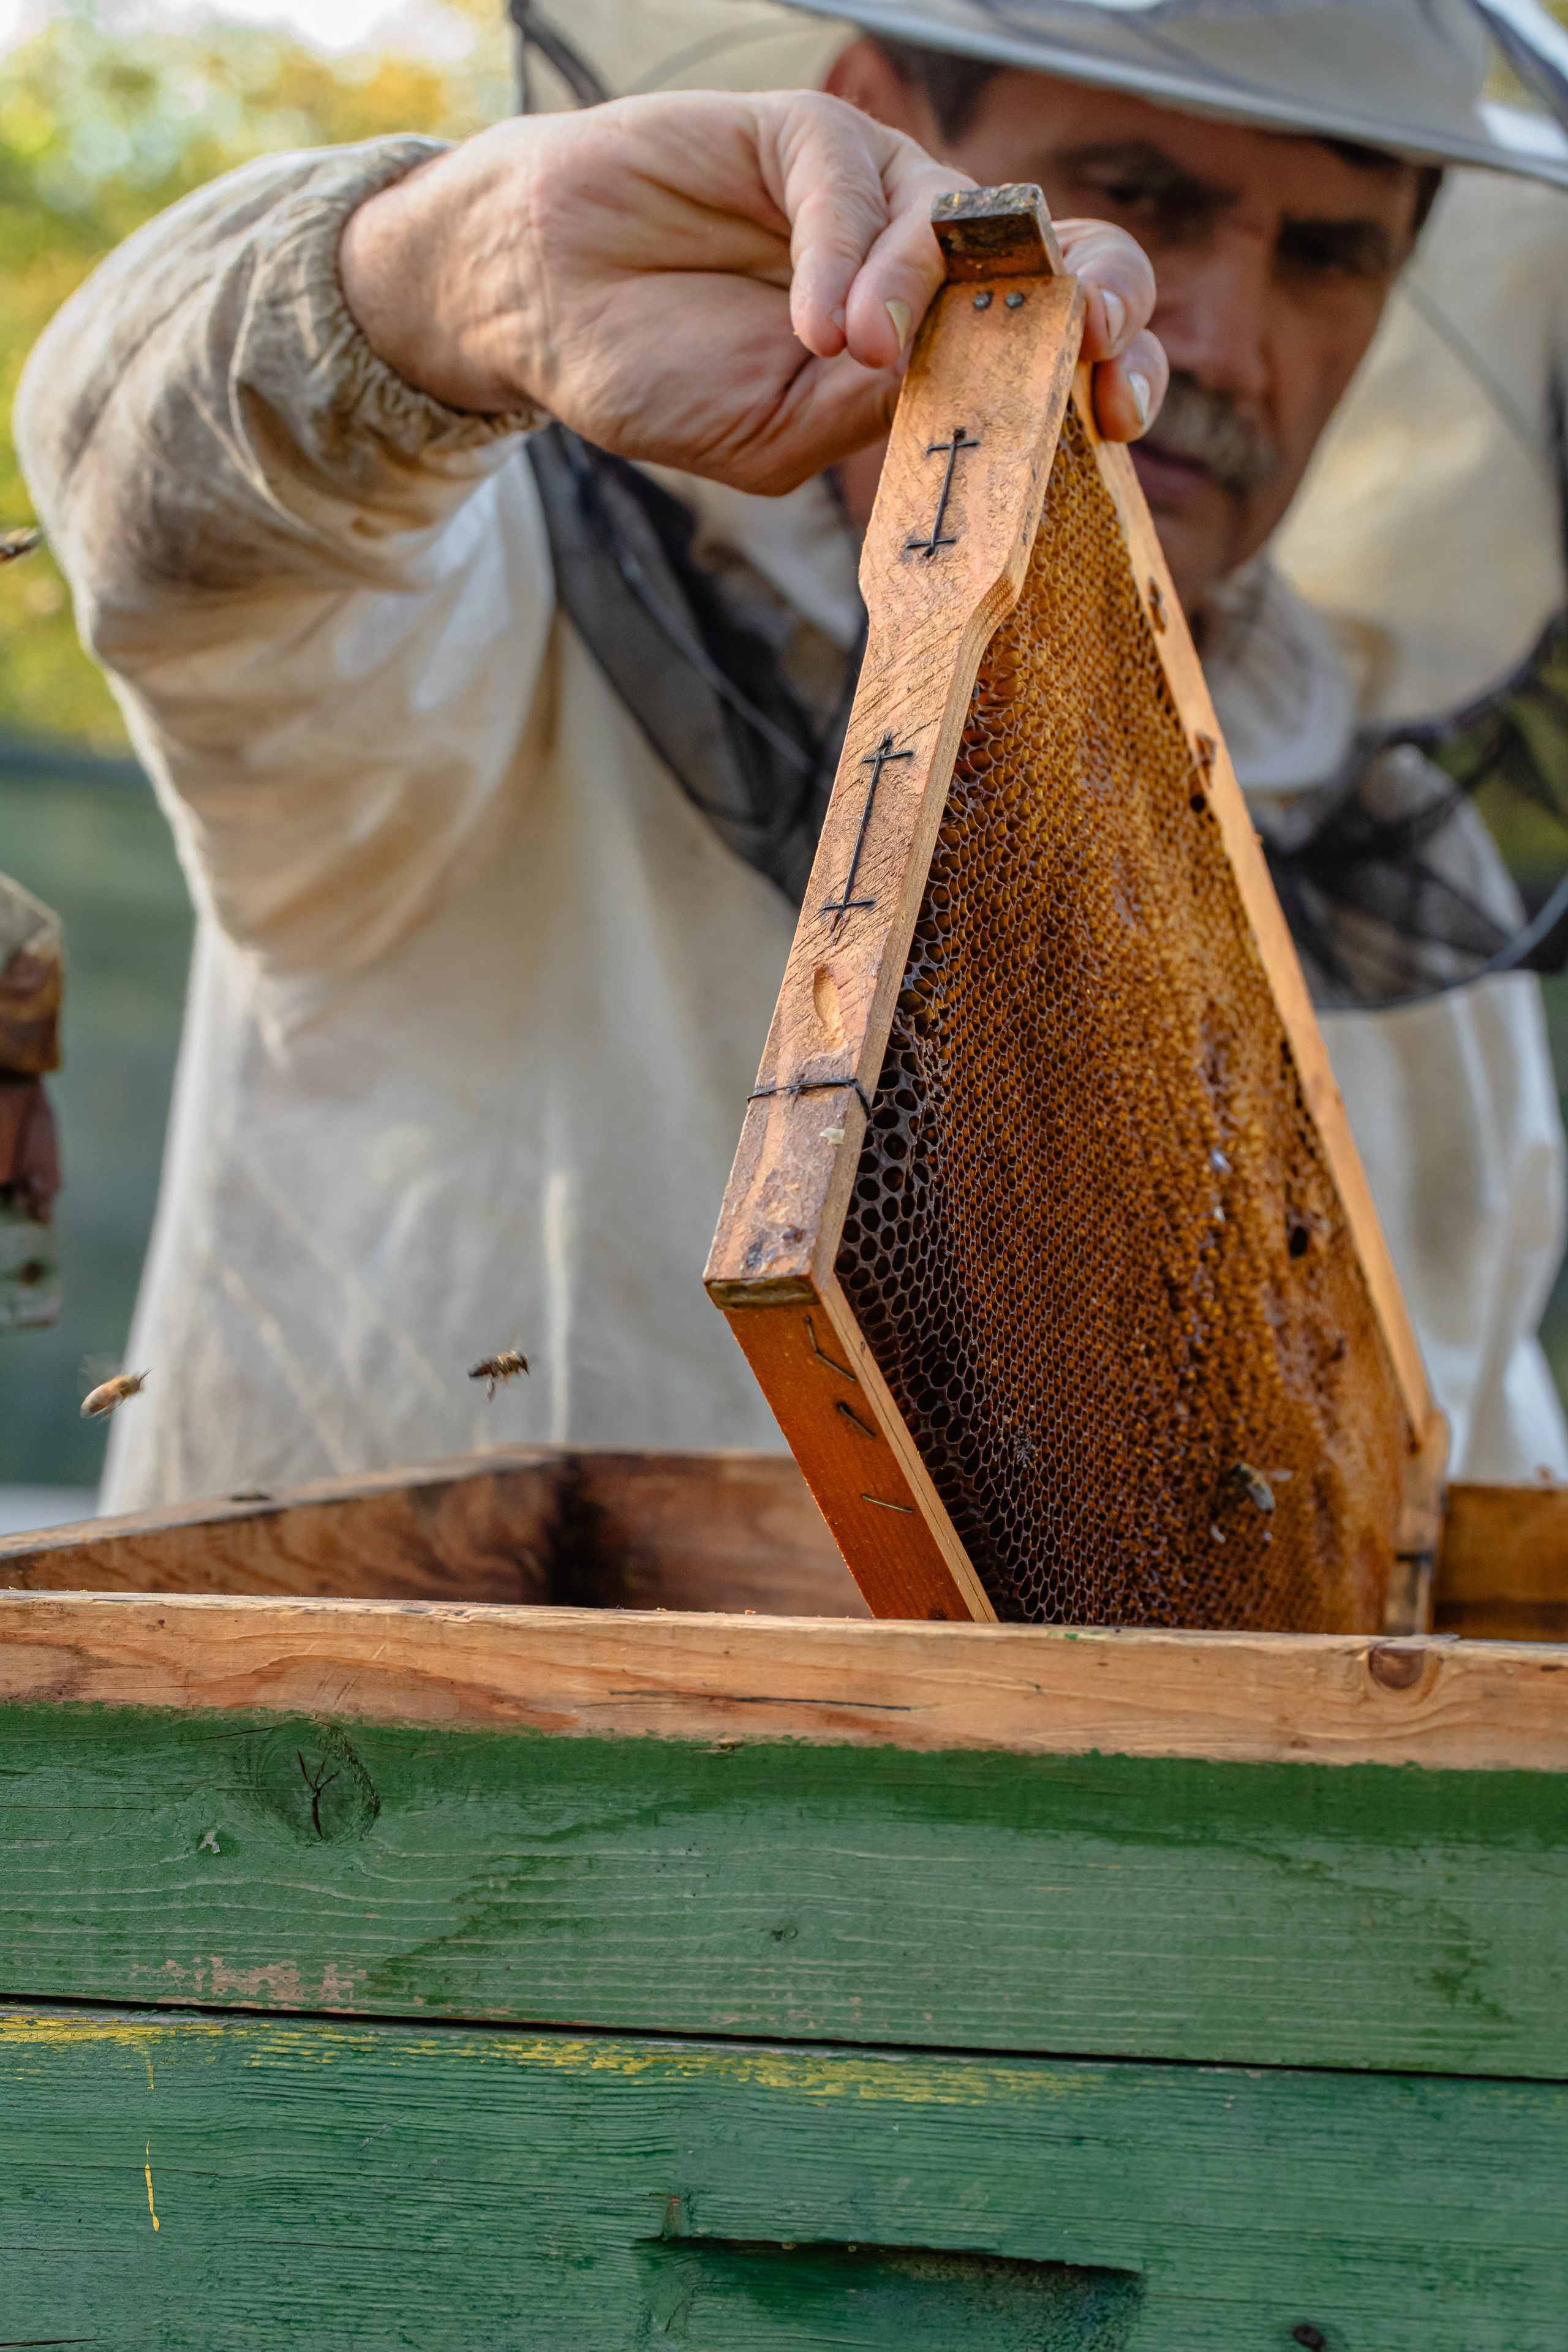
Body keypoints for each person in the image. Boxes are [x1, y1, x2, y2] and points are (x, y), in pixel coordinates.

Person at [17, 0, 1568, 1507]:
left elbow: (1460, 1499)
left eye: (1329, 255)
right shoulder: (480, 604)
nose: (1222, 340)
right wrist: (469, 269)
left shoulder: (1392, 860)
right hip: (381, 1765)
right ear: (874, 119)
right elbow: (160, 514)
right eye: (1138, 193)